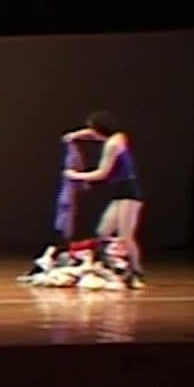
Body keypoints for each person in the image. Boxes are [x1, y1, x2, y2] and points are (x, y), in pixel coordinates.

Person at [63, 111, 146, 288]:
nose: (91, 133)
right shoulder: (118, 136)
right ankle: (105, 266)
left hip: (129, 193)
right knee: (103, 232)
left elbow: (102, 173)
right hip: (119, 192)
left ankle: (137, 272)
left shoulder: (113, 145)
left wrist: (75, 175)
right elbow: (91, 134)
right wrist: (74, 135)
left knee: (126, 236)